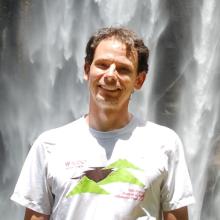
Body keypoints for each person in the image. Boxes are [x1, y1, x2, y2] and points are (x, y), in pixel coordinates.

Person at [11, 27, 195, 220]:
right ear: (86, 70)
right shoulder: (48, 145)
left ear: (139, 80)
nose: (110, 75)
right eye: (103, 65)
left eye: (123, 69)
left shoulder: (165, 143)